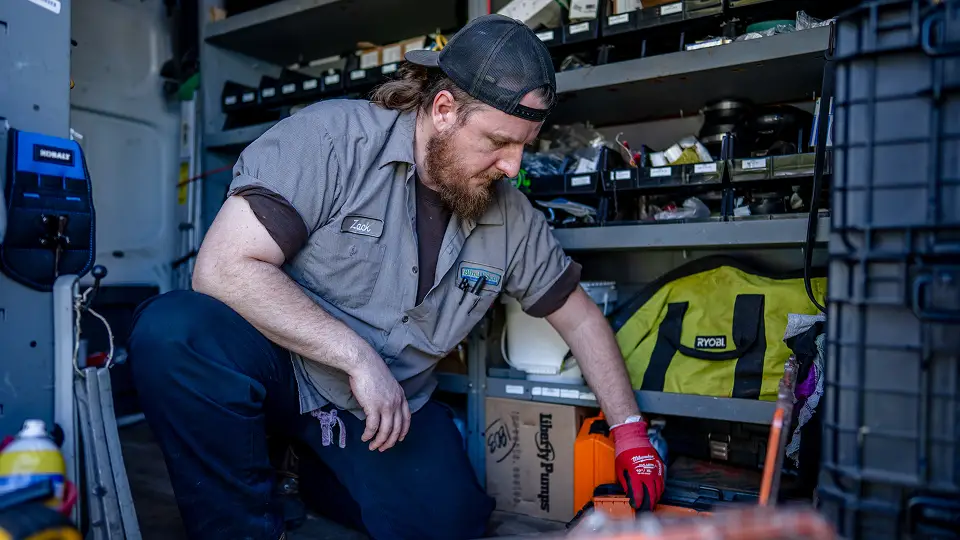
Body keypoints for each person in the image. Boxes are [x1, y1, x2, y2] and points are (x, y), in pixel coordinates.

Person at [127, 14, 665, 540]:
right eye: (499, 142)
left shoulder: (512, 217)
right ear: (446, 109)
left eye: (525, 145)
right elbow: (223, 267)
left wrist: (630, 434)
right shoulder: (333, 140)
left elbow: (581, 320)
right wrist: (355, 355)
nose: (512, 165)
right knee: (175, 331)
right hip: (281, 366)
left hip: (385, 410)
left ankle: (305, 469)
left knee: (450, 524)